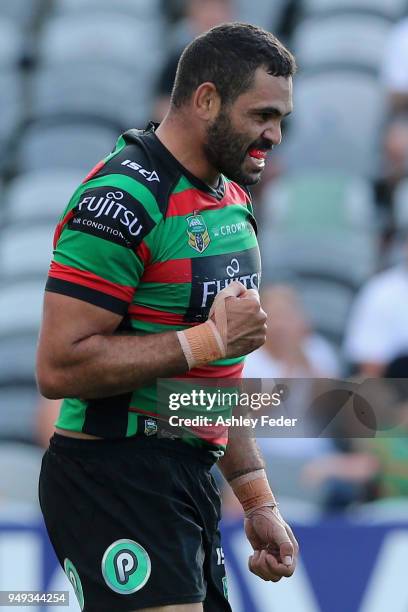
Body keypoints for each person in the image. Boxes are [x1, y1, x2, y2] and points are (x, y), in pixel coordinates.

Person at [36, 23, 298, 612]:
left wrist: (257, 500)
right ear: (206, 99)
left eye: (281, 119)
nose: (274, 135)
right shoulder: (122, 200)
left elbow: (215, 381)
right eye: (262, 115)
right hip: (111, 475)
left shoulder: (232, 202)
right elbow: (59, 366)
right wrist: (207, 339)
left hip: (186, 476)